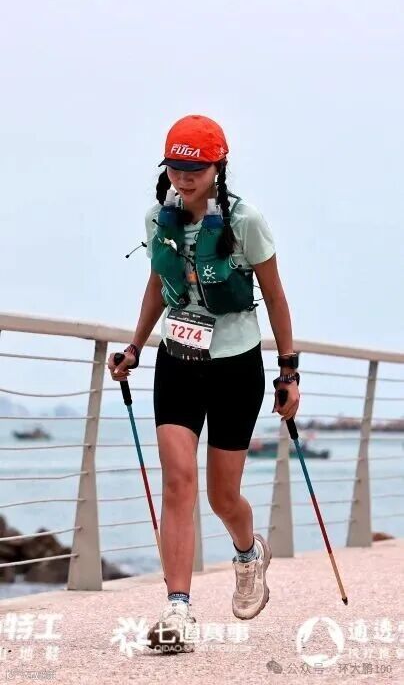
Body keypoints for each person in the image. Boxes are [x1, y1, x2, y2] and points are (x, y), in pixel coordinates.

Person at [108, 114, 300, 654]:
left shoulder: (245, 220)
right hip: (177, 360)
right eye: (175, 166)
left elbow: (275, 296)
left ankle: (248, 553)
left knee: (222, 495)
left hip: (236, 366)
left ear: (219, 166)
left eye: (195, 167)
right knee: (177, 482)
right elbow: (157, 284)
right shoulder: (158, 218)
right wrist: (135, 347)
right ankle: (178, 610)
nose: (184, 177)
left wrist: (288, 370)